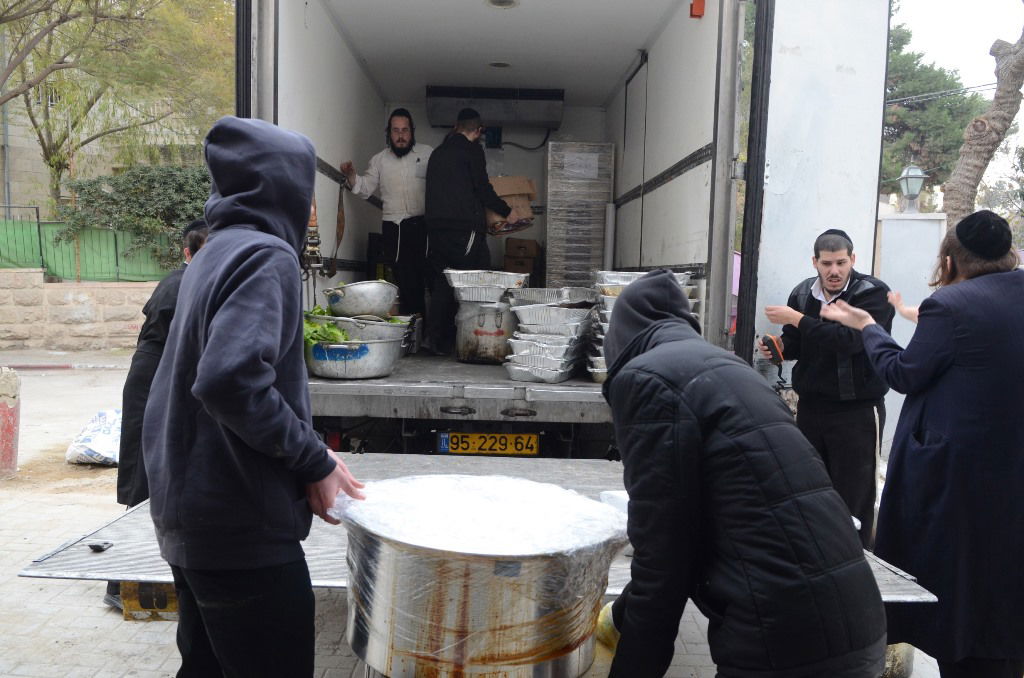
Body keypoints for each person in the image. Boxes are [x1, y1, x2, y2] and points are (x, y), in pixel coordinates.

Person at [142, 116, 365, 677]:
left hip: (192, 516)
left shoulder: (213, 252)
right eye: (306, 187)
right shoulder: (267, 256)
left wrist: (314, 452)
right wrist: (314, 460)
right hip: (239, 525)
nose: (310, 206)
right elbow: (229, 380)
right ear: (282, 184)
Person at [596, 270, 886, 678]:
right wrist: (621, 616)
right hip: (857, 622)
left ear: (619, 339)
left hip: (784, 638)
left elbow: (664, 559)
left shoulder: (645, 378)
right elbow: (706, 524)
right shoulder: (729, 369)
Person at [820, 210, 1024, 678]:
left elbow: (905, 373)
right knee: (1002, 584)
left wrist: (868, 327)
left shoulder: (950, 305)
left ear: (950, 261)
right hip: (1012, 467)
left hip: (959, 475)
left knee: (957, 585)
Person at [759, 229, 894, 547]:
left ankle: (857, 558)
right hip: (811, 408)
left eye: (841, 263)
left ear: (853, 260)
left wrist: (798, 320)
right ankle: (815, 556)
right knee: (810, 490)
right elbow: (797, 341)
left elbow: (850, 341)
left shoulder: (872, 293)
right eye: (827, 263)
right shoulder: (802, 292)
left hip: (857, 412)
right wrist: (779, 347)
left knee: (854, 498)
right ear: (815, 262)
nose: (834, 271)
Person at [103, 219, 209, 611]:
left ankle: (148, 578)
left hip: (160, 379)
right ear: (188, 253)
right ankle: (119, 583)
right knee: (144, 488)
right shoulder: (182, 285)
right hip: (150, 385)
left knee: (157, 485)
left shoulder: (187, 281)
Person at [422, 107, 516, 354]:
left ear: (456, 126)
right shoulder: (472, 151)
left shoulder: (438, 153)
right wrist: (507, 211)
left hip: (435, 230)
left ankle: (435, 340)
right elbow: (482, 189)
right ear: (478, 131)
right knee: (478, 280)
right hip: (463, 230)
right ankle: (476, 338)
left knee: (443, 282)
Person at [341, 108, 433, 316]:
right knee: (403, 279)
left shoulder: (428, 154)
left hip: (423, 225)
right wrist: (352, 176)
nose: (401, 136)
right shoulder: (379, 160)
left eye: (405, 130)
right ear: (388, 133)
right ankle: (411, 326)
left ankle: (424, 327)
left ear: (412, 131)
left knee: (425, 277)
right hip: (394, 227)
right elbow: (365, 189)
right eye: (396, 130)